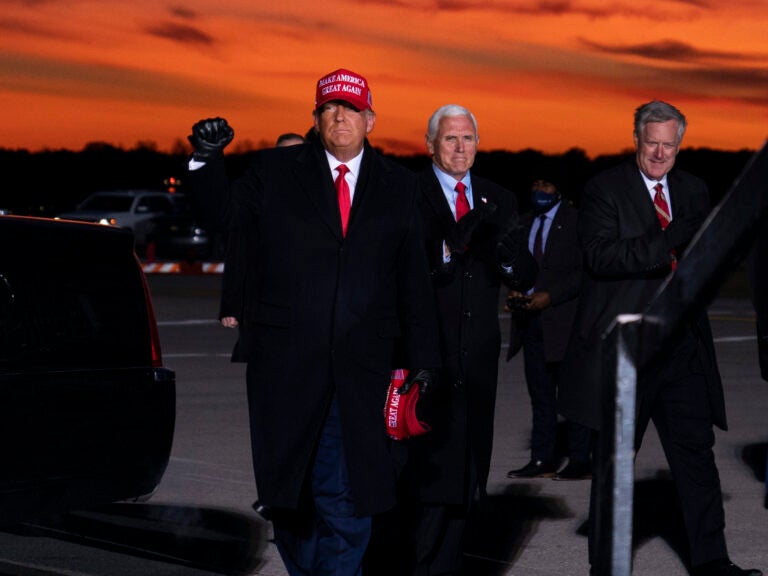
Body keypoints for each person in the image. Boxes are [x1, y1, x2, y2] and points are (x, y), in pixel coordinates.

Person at [185, 67, 441, 576]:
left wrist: (423, 360)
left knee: (347, 496)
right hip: (287, 369)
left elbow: (414, 279)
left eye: (349, 108)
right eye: (329, 108)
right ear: (316, 119)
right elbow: (221, 217)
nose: (339, 117)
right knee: (290, 500)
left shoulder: (400, 186)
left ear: (370, 119)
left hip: (363, 371)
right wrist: (204, 160)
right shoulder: (275, 172)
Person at [558, 100, 761, 576]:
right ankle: (606, 566)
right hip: (628, 352)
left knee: (696, 458)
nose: (660, 154)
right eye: (652, 143)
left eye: (670, 145)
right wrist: (674, 237)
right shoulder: (603, 189)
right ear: (636, 138)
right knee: (615, 463)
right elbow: (603, 258)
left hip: (682, 349)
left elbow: (710, 259)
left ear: (680, 145)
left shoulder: (693, 189)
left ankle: (713, 561)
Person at [402, 104, 537, 575]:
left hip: (477, 356)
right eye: (450, 139)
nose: (460, 149)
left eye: (468, 139)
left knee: (468, 473)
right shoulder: (408, 193)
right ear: (430, 144)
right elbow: (399, 268)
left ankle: (449, 567)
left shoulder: (498, 198)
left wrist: (506, 260)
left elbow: (523, 272)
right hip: (425, 353)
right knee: (425, 472)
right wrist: (447, 246)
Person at [505, 170, 591, 481]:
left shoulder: (577, 220)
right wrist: (515, 289)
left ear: (560, 188)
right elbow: (515, 266)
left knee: (573, 394)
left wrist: (550, 297)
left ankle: (581, 459)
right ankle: (542, 458)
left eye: (547, 183)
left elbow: (584, 271)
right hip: (531, 322)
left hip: (565, 322)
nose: (540, 188)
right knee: (540, 396)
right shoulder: (524, 221)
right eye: (535, 182)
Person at [219, 131, 306, 354]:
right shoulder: (257, 196)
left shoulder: (326, 196)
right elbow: (238, 253)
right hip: (265, 306)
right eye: (285, 153)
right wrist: (231, 306)